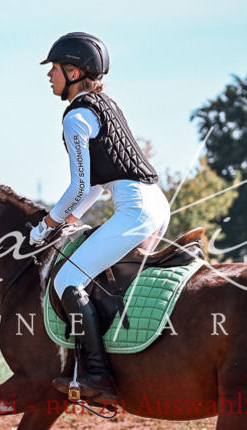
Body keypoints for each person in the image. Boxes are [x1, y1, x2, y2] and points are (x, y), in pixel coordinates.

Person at [30, 32, 171, 404]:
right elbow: (92, 187)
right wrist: (67, 219)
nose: (49, 76)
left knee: (67, 280)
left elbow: (79, 188)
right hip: (155, 204)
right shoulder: (105, 104)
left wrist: (47, 225)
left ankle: (98, 376)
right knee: (107, 281)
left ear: (74, 71)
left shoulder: (76, 117)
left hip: (135, 209)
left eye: (55, 69)